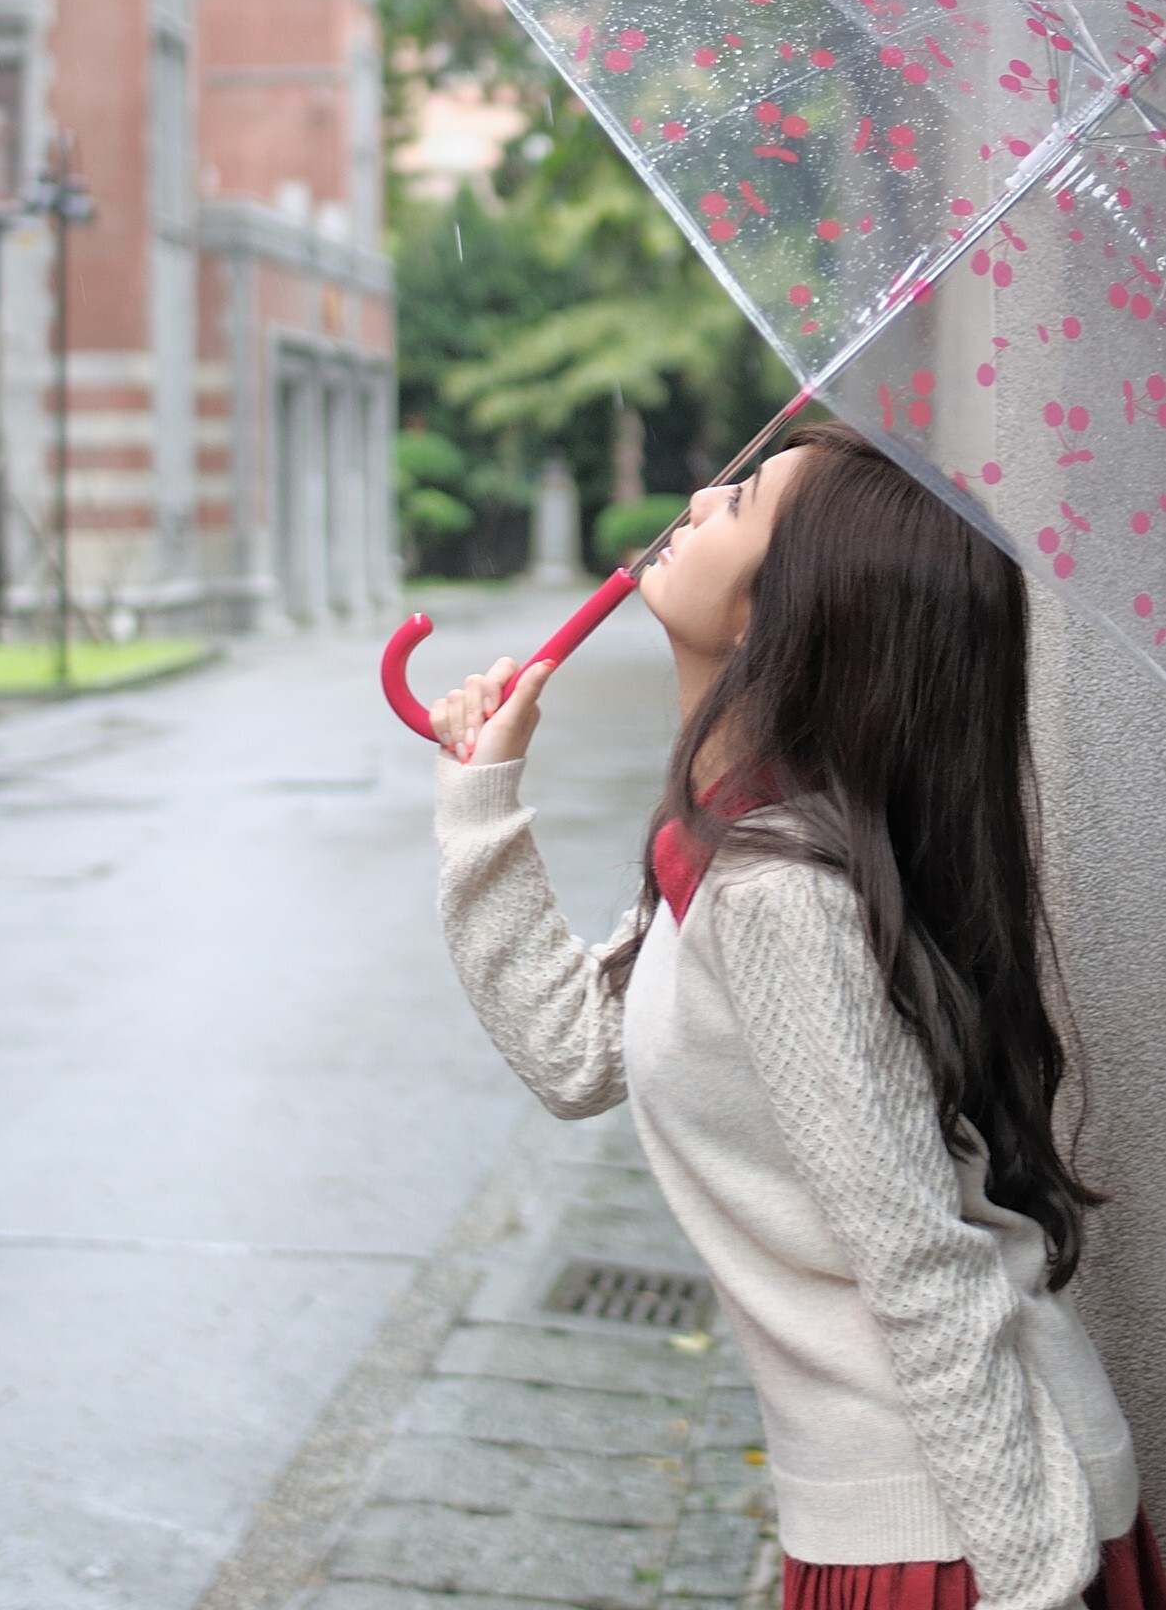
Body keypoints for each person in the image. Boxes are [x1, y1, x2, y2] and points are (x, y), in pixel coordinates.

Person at [428, 422, 1162, 1610]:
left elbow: (917, 1257)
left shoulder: (777, 892)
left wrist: (1032, 1585)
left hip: (964, 1529)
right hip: (911, 1510)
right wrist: (479, 794)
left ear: (780, 613)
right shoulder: (728, 846)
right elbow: (575, 1052)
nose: (697, 497)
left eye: (741, 502)